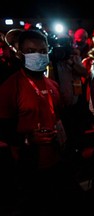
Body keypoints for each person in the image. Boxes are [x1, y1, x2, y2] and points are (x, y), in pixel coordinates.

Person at [0, 29, 86, 215]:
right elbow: (3, 130)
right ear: (19, 54)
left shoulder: (52, 85)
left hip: (57, 161)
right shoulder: (10, 87)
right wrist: (27, 140)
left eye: (42, 50)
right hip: (28, 169)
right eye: (30, 51)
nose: (37, 55)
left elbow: (58, 117)